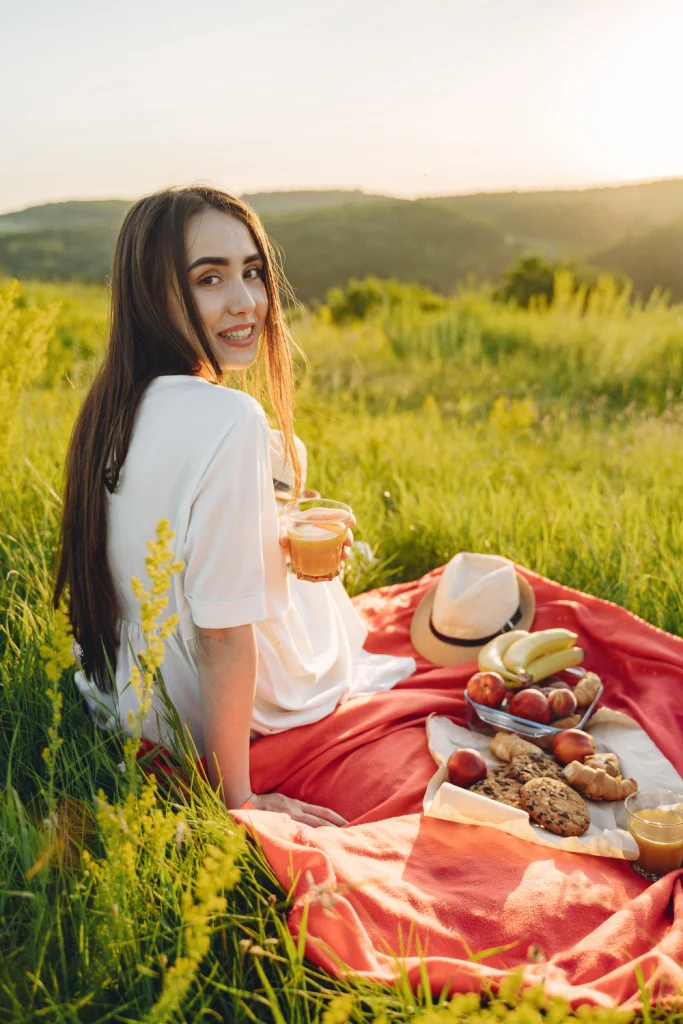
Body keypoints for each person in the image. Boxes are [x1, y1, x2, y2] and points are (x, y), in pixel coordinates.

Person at [54, 185, 415, 826]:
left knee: (285, 487)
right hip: (204, 697)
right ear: (150, 293)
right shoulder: (229, 417)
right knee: (319, 594)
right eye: (210, 279)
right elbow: (222, 635)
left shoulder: (111, 401)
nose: (247, 301)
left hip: (130, 687)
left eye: (252, 272)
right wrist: (240, 800)